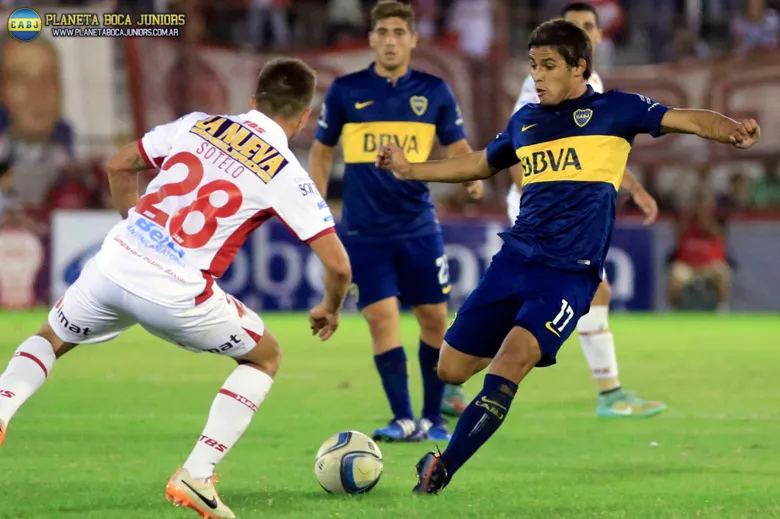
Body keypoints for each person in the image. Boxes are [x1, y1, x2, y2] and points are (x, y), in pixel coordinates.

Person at [375, 18, 760, 493]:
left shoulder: (615, 110)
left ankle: (441, 468)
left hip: (568, 277)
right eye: (534, 65)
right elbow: (479, 162)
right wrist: (411, 169)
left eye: (549, 66)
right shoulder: (526, 122)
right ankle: (519, 335)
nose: (537, 76)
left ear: (579, 68)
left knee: (508, 365)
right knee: (450, 368)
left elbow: (685, 117)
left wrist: (732, 132)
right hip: (513, 263)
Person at [0, 58, 352, 519]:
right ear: (304, 117)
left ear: (252, 101)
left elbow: (119, 164)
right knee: (264, 356)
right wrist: (330, 306)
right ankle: (197, 475)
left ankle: (3, 403)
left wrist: (136, 227)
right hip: (178, 292)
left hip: (115, 262)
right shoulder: (285, 170)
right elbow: (339, 265)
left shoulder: (198, 124)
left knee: (51, 338)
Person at [445, 1, 665, 419]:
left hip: (562, 210)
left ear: (595, 39)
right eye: (572, 24)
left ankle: (606, 391)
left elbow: (596, 152)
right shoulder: (539, 89)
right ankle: (608, 392)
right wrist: (536, 196)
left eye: (586, 25)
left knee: (591, 292)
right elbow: (518, 150)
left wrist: (634, 188)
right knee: (581, 292)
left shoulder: (592, 87)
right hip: (539, 212)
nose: (580, 29)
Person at [309, 0, 482, 443]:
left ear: (412, 39)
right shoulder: (346, 90)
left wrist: (472, 179)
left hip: (419, 226)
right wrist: (314, 199)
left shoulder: (435, 91)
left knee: (433, 321)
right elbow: (322, 149)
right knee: (381, 319)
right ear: (371, 39)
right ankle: (404, 418)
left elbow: (458, 146)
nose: (390, 41)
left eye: (398, 33)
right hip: (365, 230)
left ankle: (434, 418)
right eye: (382, 32)